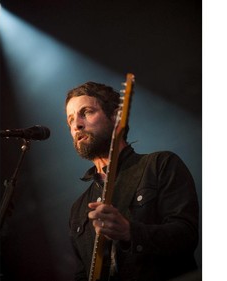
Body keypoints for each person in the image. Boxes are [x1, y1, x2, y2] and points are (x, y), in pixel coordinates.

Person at [65, 81, 199, 281]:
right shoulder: (78, 208)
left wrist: (130, 232)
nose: (77, 124)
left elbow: (186, 236)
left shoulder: (160, 165)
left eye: (87, 112)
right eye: (70, 120)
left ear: (116, 116)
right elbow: (82, 274)